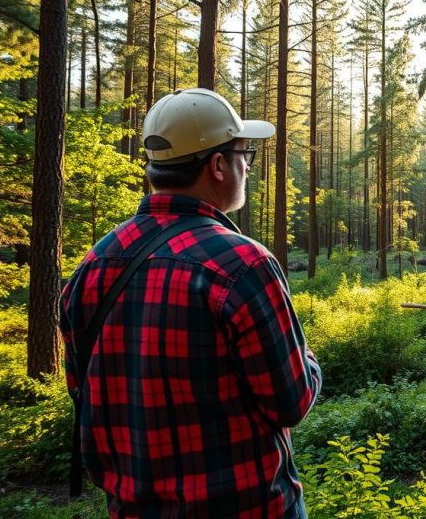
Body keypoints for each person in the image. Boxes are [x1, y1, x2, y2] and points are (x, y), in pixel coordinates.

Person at [60, 88, 322, 518]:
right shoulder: (243, 263)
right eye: (244, 154)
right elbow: (291, 401)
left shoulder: (94, 262)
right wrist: (308, 361)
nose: (247, 167)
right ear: (218, 165)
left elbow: (83, 392)